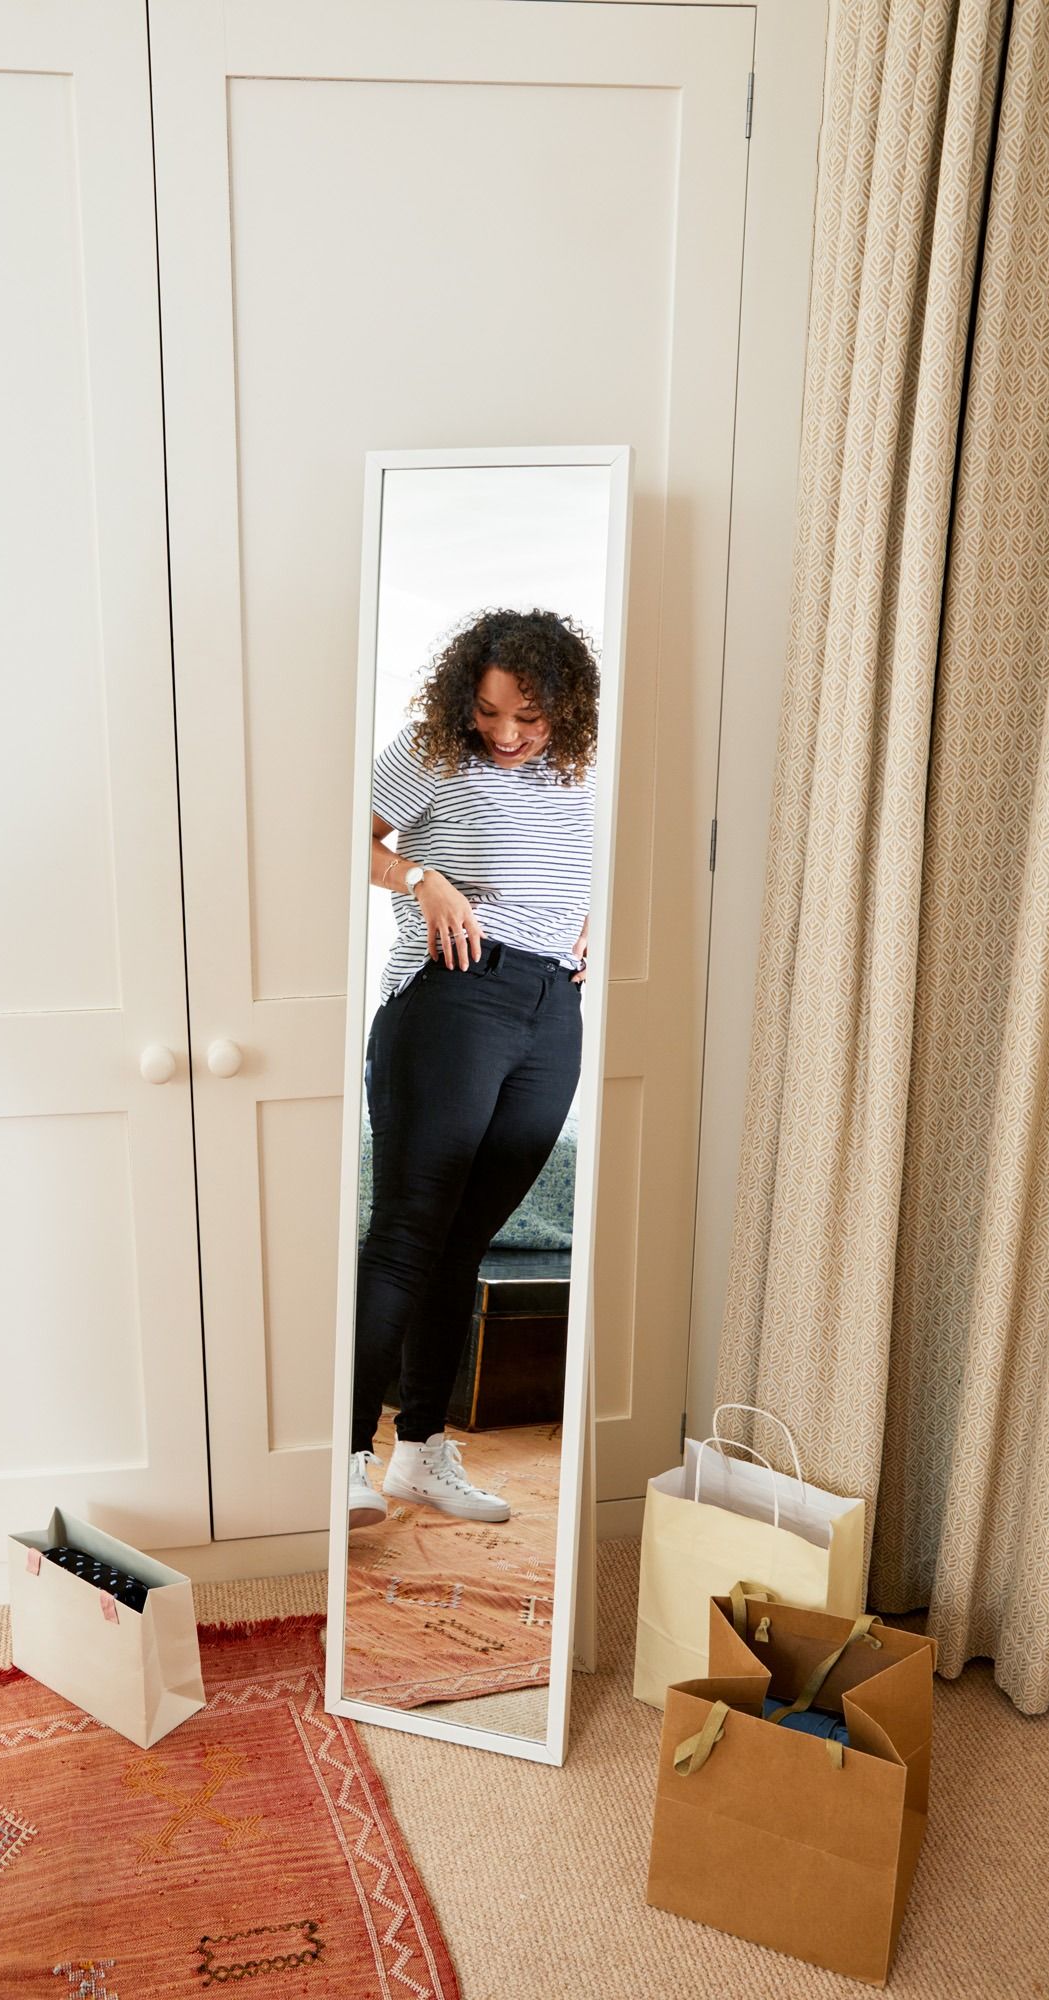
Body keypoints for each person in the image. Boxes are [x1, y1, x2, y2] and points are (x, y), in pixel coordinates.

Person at [349, 607, 597, 1528]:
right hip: (453, 993)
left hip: (552, 1008)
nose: (505, 734)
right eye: (488, 713)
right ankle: (343, 1455)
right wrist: (421, 878)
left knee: (465, 1240)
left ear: (565, 709)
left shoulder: (583, 770)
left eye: (527, 718)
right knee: (408, 1231)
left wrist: (596, 921)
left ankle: (418, 1454)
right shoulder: (431, 751)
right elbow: (342, 835)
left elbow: (581, 869)